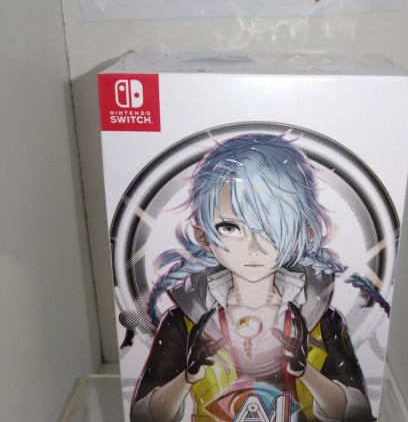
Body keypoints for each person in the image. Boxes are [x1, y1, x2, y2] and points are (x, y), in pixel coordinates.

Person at [131, 133, 377, 421]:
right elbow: (144, 417)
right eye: (230, 227)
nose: (253, 246)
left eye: (271, 228)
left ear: (305, 233)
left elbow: (356, 413)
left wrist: (304, 372)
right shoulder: (184, 322)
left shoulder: (323, 320)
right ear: (203, 235)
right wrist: (189, 376)